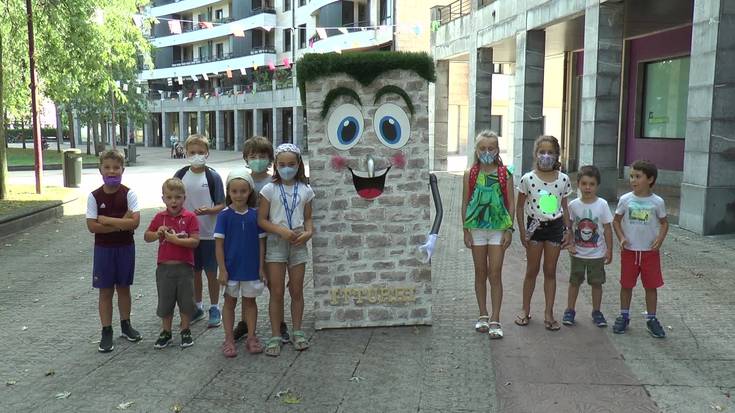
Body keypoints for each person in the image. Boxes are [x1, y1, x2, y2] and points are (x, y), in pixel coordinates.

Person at [233, 137, 292, 344]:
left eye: (262, 156)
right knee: (245, 282)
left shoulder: (275, 182)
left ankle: (281, 322)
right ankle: (244, 323)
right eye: (253, 156)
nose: (257, 160)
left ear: (270, 159)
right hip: (246, 239)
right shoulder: (241, 181)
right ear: (246, 159)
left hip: (271, 238)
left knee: (275, 285)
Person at [258, 143, 314, 356]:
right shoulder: (269, 189)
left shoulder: (306, 189)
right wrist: (280, 231)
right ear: (275, 165)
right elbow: (261, 220)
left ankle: (298, 330)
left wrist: (308, 233)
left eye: (291, 164)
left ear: (299, 164)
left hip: (298, 242)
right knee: (277, 291)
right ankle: (275, 334)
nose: (287, 168)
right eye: (282, 164)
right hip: (276, 242)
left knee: (297, 290)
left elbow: (308, 217)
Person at [86, 149, 142, 353]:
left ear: (123, 169)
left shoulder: (129, 194)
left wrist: (108, 220)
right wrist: (122, 222)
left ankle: (126, 325)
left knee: (124, 288)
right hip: (104, 250)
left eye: (116, 167)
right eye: (107, 167)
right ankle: (106, 330)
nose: (111, 171)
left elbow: (134, 223)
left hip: (125, 248)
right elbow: (92, 226)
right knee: (106, 291)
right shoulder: (94, 197)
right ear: (100, 169)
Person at [461, 130, 515, 339]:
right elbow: (465, 202)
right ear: (476, 150)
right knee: (480, 272)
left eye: (490, 148)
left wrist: (509, 230)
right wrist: (465, 230)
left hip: (497, 230)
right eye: (482, 148)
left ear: (497, 150)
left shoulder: (505, 174)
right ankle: (482, 314)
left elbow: (511, 203)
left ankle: (495, 318)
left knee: (495, 273)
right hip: (476, 229)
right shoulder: (470, 174)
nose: (486, 152)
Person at [515, 135, 572, 331]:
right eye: (542, 152)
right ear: (535, 154)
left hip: (555, 228)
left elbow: (564, 206)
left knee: (550, 271)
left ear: (557, 155)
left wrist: (568, 230)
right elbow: (519, 207)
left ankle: (549, 312)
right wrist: (523, 232)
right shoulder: (527, 179)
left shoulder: (564, 179)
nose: (545, 156)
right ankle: (525, 309)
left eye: (550, 153)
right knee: (531, 271)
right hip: (535, 228)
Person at [612, 160, 669, 338]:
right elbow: (616, 220)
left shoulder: (657, 202)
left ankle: (651, 319)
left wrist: (659, 240)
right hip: (629, 252)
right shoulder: (625, 199)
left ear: (650, 179)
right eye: (631, 176)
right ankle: (624, 315)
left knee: (651, 286)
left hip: (650, 253)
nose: (633, 180)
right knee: (626, 285)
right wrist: (621, 237)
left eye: (638, 176)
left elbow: (664, 223)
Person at [174, 134, 226, 328]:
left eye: (200, 152)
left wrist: (209, 211)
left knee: (211, 272)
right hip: (188, 236)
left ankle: (215, 307)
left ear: (207, 154)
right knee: (193, 272)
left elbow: (222, 204)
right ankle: (197, 307)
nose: (196, 156)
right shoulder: (180, 175)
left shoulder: (212, 176)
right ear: (186, 153)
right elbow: (174, 199)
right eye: (192, 152)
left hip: (210, 233)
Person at [215, 168, 266, 357]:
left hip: (251, 269)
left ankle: (251, 336)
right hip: (231, 269)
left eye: (243, 191)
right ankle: (229, 338)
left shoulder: (255, 215)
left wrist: (261, 267)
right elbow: (219, 245)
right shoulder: (224, 215)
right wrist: (222, 269)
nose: (238, 195)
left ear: (250, 192)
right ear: (228, 192)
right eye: (234, 191)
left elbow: (261, 243)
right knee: (229, 303)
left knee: (250, 302)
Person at [144, 178, 200, 349]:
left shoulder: (190, 217)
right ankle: (166, 331)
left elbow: (195, 242)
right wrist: (157, 234)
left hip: (184, 267)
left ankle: (185, 330)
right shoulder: (160, 217)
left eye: (177, 197)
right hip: (165, 268)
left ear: (184, 198)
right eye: (169, 197)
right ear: (163, 199)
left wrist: (176, 240)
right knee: (165, 301)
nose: (173, 201)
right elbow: (147, 236)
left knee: (186, 301)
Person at [562, 165, 613, 328]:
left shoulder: (602, 205)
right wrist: (569, 243)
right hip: (577, 254)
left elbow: (607, 228)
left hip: (597, 255)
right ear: (578, 184)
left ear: (597, 185)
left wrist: (609, 249)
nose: (587, 187)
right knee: (574, 282)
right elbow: (568, 227)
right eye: (584, 183)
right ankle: (570, 310)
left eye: (591, 184)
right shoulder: (573, 205)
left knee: (596, 283)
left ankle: (597, 311)